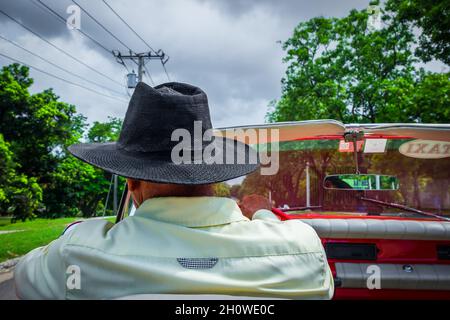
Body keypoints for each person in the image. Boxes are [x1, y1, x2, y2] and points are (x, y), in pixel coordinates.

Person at [14, 82, 333, 299]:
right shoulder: (303, 251)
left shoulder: (76, 256)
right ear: (215, 176)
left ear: (132, 183)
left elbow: (23, 275)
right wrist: (263, 213)